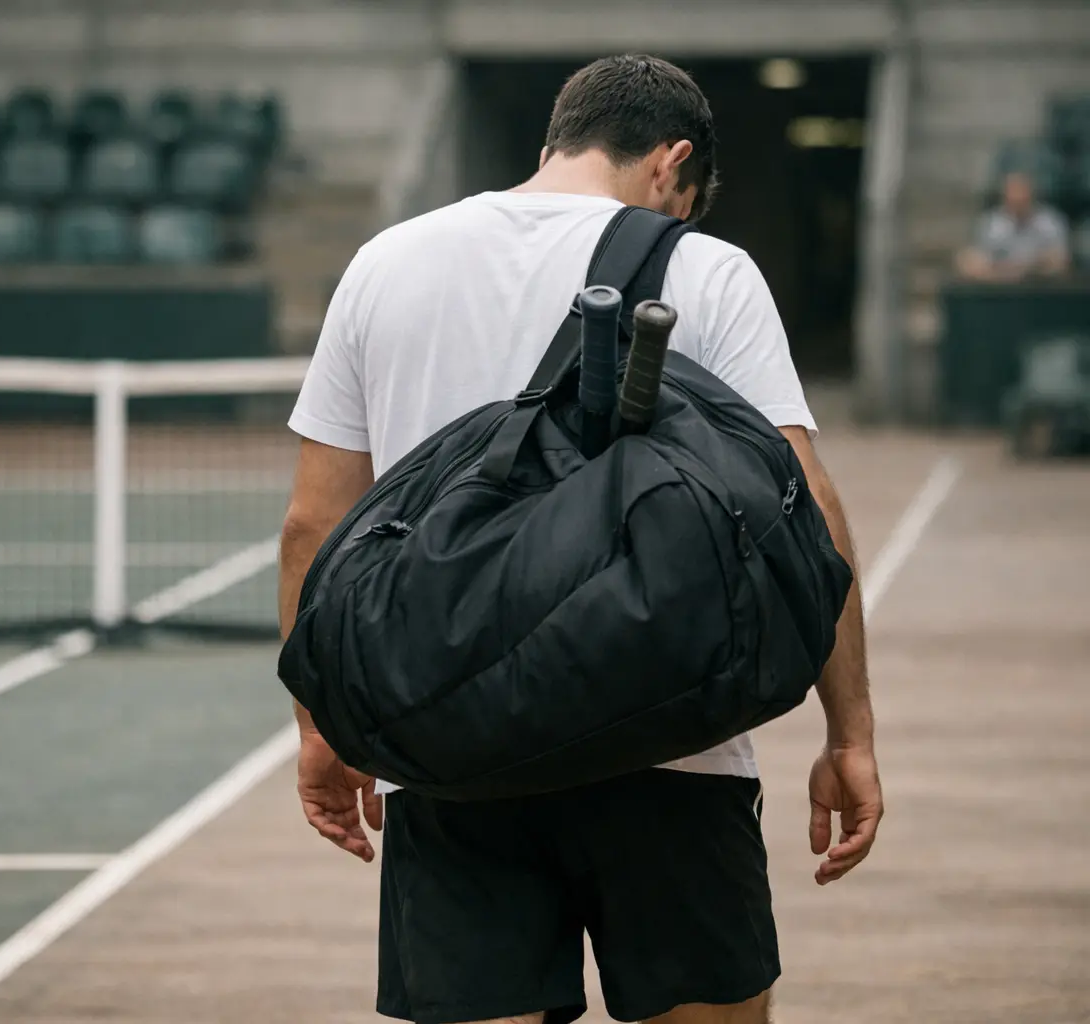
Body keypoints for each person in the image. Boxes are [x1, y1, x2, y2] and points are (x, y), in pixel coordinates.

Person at [278, 55, 880, 1024]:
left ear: (554, 141)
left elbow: (316, 524)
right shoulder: (706, 269)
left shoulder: (386, 262)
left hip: (451, 741)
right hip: (673, 739)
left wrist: (321, 726)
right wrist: (848, 733)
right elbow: (803, 503)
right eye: (684, 200)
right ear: (671, 163)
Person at [955, 170, 1071, 281]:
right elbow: (972, 262)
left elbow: (1060, 261)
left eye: (1022, 192)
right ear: (1004, 196)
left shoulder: (1050, 222)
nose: (1018, 198)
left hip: (1040, 286)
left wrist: (1024, 269)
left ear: (1032, 195)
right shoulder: (990, 224)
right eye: (1013, 192)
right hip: (999, 285)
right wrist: (1005, 273)